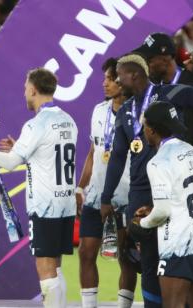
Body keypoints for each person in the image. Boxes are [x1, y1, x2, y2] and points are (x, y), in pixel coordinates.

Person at [101, 52, 193, 307]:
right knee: (147, 263)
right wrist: (105, 197)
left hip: (173, 194)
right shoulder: (124, 111)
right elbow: (118, 157)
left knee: (178, 258)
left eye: (120, 76)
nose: (118, 82)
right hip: (141, 194)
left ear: (135, 74)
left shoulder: (171, 93)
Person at [0, 68, 78, 308]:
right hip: (65, 203)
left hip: (45, 205)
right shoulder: (68, 120)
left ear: (34, 89)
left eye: (26, 88)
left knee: (44, 266)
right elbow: (49, 156)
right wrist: (23, 148)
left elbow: (10, 163)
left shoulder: (36, 125)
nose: (25, 92)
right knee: (55, 266)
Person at [132, 101, 193, 307]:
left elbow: (162, 211)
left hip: (179, 244)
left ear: (151, 130)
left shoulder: (158, 161)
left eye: (144, 126)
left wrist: (141, 224)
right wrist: (153, 210)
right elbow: (182, 197)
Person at [134, 32, 193, 226]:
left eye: (149, 59)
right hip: (176, 174)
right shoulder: (157, 90)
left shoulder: (192, 82)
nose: (146, 64)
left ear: (166, 58)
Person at [75, 58, 136, 308]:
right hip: (96, 195)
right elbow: (93, 151)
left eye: (110, 79)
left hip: (126, 196)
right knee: (86, 253)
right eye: (105, 79)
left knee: (126, 258)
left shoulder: (137, 113)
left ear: (123, 81)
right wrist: (81, 187)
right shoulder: (99, 110)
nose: (105, 84)